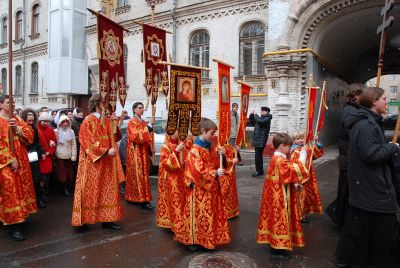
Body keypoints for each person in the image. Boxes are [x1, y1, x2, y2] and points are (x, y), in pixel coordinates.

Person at [335, 87, 400, 268]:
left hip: (366, 186)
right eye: (384, 99)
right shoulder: (367, 125)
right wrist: (393, 147)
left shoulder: (367, 122)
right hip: (373, 186)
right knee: (383, 231)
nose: (386, 102)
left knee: (360, 227)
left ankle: (350, 258)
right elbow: (371, 154)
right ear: (374, 101)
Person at [174, 118, 230, 250]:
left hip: (210, 188)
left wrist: (220, 155)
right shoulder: (195, 150)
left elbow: (215, 162)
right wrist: (215, 173)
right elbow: (198, 171)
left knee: (208, 215)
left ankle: (206, 238)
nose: (213, 136)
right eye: (211, 133)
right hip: (199, 188)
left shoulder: (210, 146)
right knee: (198, 215)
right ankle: (193, 240)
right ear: (203, 131)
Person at [71, 94, 125, 230]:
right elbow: (86, 142)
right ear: (97, 103)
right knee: (90, 190)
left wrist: (115, 123)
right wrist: (106, 151)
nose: (106, 105)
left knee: (108, 190)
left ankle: (108, 219)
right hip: (92, 162)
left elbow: (116, 137)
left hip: (107, 163)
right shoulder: (87, 121)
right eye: (104, 102)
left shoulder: (107, 120)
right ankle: (83, 220)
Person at [256, 133, 308, 260]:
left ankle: (277, 246)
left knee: (275, 220)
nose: (290, 149)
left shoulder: (278, 159)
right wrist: (303, 155)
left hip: (277, 195)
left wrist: (294, 185)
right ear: (282, 146)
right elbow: (294, 170)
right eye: (288, 147)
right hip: (278, 198)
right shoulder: (279, 160)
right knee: (279, 221)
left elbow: (286, 177)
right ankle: (276, 250)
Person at [326, 84, 364, 229]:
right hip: (349, 158)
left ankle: (340, 216)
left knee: (346, 190)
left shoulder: (354, 110)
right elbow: (355, 136)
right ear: (356, 96)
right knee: (346, 191)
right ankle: (340, 219)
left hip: (348, 157)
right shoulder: (351, 112)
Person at [0, 95, 37, 241]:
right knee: (11, 194)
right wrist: (10, 159)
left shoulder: (17, 119)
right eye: (9, 102)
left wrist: (17, 128)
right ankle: (14, 226)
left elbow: (30, 136)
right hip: (6, 164)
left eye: (14, 101)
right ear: (1, 105)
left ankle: (20, 218)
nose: (13, 104)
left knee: (21, 190)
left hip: (22, 162)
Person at [156, 131, 192, 231]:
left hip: (183, 179)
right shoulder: (166, 147)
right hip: (173, 180)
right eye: (178, 129)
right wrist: (176, 151)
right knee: (176, 204)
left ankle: (182, 225)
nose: (181, 131)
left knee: (183, 203)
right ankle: (178, 227)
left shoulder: (183, 145)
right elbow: (166, 164)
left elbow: (187, 161)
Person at [125, 102, 155, 210]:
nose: (142, 110)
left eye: (142, 108)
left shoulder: (143, 122)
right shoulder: (131, 122)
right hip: (135, 153)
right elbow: (137, 137)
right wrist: (150, 126)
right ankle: (142, 200)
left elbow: (148, 137)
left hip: (143, 153)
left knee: (144, 175)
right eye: (139, 108)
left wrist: (151, 147)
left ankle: (144, 197)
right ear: (134, 110)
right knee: (138, 176)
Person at [290, 132, 324, 222]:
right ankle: (299, 215)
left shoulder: (305, 148)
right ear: (293, 141)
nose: (300, 140)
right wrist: (303, 152)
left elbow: (315, 153)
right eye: (298, 138)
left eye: (302, 138)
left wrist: (316, 142)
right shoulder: (294, 151)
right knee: (300, 195)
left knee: (305, 196)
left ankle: (302, 213)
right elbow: (296, 164)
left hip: (308, 176)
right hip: (300, 178)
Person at [21, 109, 46, 208]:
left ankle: (38, 199)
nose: (31, 123)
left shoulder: (34, 129)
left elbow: (36, 142)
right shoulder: (21, 129)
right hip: (24, 156)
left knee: (37, 179)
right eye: (29, 121)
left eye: (32, 121)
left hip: (34, 156)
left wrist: (41, 151)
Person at [54, 115, 77, 197]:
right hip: (59, 156)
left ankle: (67, 188)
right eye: (63, 122)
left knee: (69, 174)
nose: (65, 124)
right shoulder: (56, 131)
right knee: (61, 173)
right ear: (60, 123)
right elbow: (54, 143)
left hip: (69, 156)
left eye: (67, 122)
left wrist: (74, 156)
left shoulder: (71, 132)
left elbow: (74, 145)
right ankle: (61, 189)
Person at [37, 112, 57, 204]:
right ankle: (41, 196)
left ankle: (45, 194)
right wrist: (41, 153)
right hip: (39, 158)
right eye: (44, 121)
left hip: (48, 158)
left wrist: (49, 152)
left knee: (47, 177)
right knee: (40, 178)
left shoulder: (51, 130)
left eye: (48, 121)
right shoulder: (35, 129)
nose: (46, 123)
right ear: (40, 121)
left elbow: (54, 143)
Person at [249, 107, 273, 177]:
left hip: (261, 139)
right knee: (258, 156)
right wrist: (251, 115)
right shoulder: (260, 118)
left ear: (266, 112)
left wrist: (256, 115)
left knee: (258, 156)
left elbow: (260, 121)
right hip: (257, 139)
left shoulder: (267, 118)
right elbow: (253, 123)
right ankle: (260, 170)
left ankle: (258, 171)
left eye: (262, 111)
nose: (261, 112)